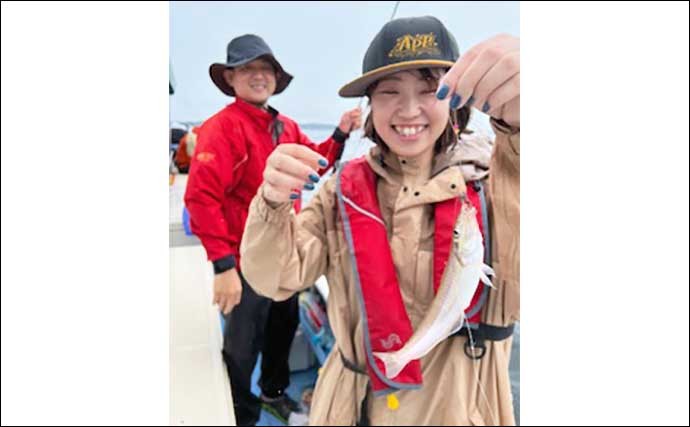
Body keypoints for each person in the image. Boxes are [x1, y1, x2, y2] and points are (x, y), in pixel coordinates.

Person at [240, 16, 519, 425]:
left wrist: (521, 127)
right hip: (354, 406)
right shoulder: (340, 191)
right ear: (370, 104)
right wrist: (271, 203)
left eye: (429, 90)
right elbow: (273, 277)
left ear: (456, 99)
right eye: (389, 92)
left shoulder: (495, 180)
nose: (409, 109)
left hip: (461, 406)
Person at [184, 34, 362, 426]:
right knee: (241, 346)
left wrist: (341, 133)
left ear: (276, 78)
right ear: (230, 78)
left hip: (284, 256)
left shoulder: (286, 125)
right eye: (247, 68)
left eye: (265, 68)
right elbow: (200, 200)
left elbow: (315, 164)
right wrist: (223, 267)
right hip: (243, 263)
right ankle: (240, 414)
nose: (258, 75)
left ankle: (273, 393)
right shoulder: (220, 128)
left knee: (284, 327)